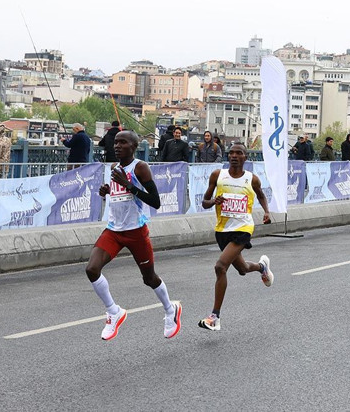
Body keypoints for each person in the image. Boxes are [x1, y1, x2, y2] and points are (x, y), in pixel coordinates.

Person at [86, 130, 181, 341]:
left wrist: (128, 184)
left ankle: (169, 309)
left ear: (133, 146)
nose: (117, 146)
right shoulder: (114, 167)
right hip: (114, 229)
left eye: (123, 143)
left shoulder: (140, 167)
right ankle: (113, 311)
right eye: (116, 143)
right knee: (92, 269)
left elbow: (155, 201)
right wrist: (107, 190)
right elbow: (119, 192)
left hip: (136, 231)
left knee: (149, 278)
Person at [199, 143, 273, 331]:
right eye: (231, 153)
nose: (234, 156)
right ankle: (261, 267)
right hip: (222, 229)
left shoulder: (252, 179)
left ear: (245, 157)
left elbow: (261, 195)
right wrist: (214, 201)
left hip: (243, 228)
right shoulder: (218, 175)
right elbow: (204, 203)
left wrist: (266, 212)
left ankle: (214, 317)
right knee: (242, 268)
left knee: (220, 266)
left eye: (238, 153)